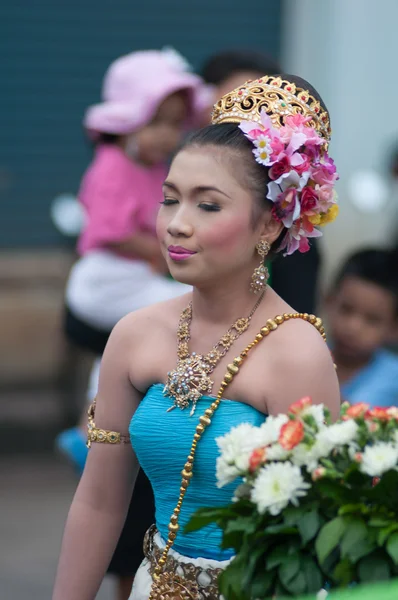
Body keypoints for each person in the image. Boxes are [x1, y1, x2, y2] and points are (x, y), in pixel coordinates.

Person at [53, 74, 340, 600]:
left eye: (207, 205)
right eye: (169, 200)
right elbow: (99, 501)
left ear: (269, 225)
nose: (175, 225)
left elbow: (313, 538)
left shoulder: (296, 353)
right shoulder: (135, 334)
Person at [56, 49, 203, 600]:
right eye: (157, 122)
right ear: (126, 118)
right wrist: (158, 249)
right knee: (169, 311)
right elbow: (113, 232)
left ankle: (88, 429)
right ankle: (88, 430)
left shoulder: (144, 168)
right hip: (105, 279)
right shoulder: (112, 166)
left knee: (120, 357)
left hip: (119, 280)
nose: (168, 135)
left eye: (175, 123)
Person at [198, 49, 322, 314]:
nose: (249, 116)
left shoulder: (288, 211)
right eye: (239, 100)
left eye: (262, 105)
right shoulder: (162, 164)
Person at [326, 248, 398, 406]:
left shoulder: (394, 381)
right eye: (346, 309)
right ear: (329, 300)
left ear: (394, 328)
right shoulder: (306, 354)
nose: (353, 328)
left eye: (372, 320)